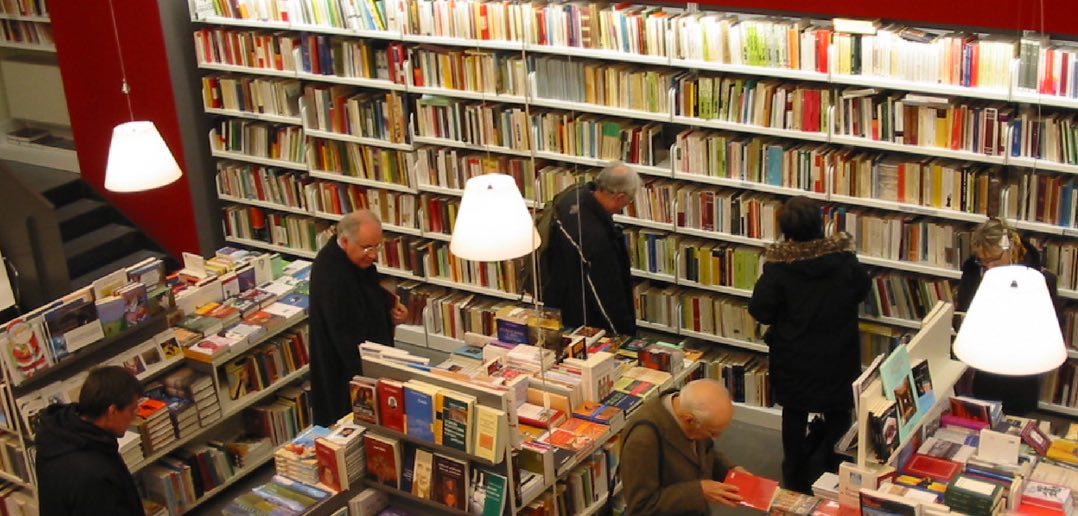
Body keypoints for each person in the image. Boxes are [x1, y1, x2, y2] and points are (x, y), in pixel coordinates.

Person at [748, 196, 870, 494]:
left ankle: (795, 475)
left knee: (795, 413)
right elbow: (863, 290)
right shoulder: (844, 260)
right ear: (820, 225)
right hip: (839, 353)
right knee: (840, 411)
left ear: (786, 231)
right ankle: (834, 467)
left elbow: (760, 310)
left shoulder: (778, 269)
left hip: (795, 356)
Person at [309, 210, 408, 426]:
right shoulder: (331, 275)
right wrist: (375, 376)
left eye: (377, 246)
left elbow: (365, 287)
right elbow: (347, 340)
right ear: (345, 241)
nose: (373, 255)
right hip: (347, 373)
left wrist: (390, 305)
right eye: (367, 248)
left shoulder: (352, 259)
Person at [956, 217, 1062, 415]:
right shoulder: (973, 272)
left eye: (995, 259)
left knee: (1017, 420)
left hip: (1022, 371)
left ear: (1011, 249)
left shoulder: (1038, 280)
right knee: (985, 416)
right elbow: (963, 309)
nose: (989, 267)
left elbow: (1053, 326)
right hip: (985, 366)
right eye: (983, 260)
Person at [540, 162, 641, 336]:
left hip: (556, 298)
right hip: (583, 316)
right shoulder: (596, 238)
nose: (626, 205)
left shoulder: (572, 195)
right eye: (628, 200)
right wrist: (624, 334)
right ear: (619, 197)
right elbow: (606, 296)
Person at [621, 379, 745, 515]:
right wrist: (699, 492)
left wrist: (731, 472)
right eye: (712, 432)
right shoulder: (642, 440)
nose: (716, 438)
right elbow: (641, 507)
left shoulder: (689, 407)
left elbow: (705, 451)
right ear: (689, 420)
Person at [35, 366, 143, 515]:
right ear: (112, 412)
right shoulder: (94, 476)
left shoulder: (59, 436)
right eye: (132, 409)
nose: (135, 415)